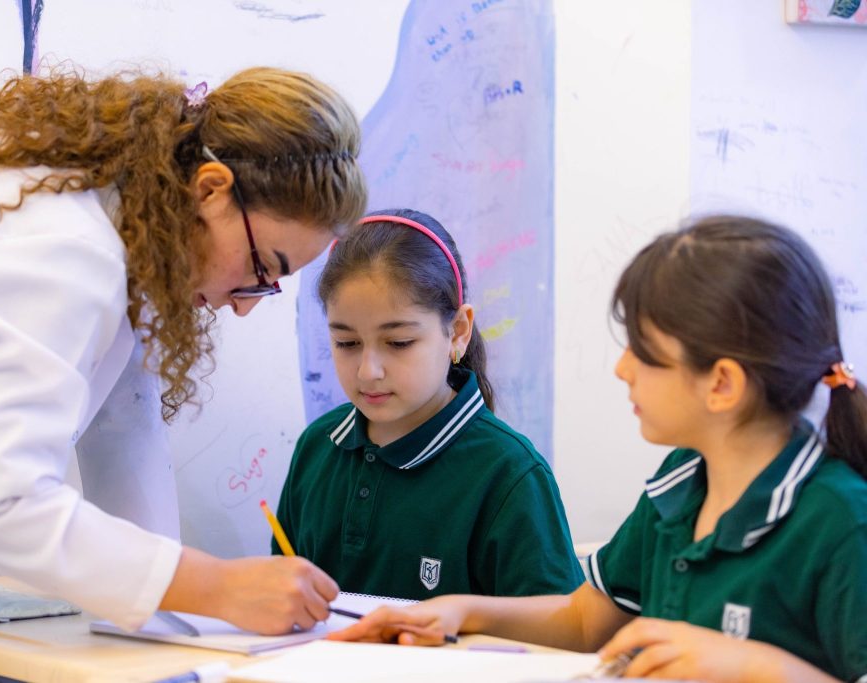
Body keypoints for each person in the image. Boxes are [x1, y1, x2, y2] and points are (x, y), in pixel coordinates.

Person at [0, 65, 367, 680]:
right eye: (262, 266)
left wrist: (180, 632)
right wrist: (218, 586)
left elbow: (124, 428)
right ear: (211, 190)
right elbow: (1, 500)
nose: (249, 302)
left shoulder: (117, 229)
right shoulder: (61, 246)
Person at [330, 216, 867, 683]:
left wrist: (750, 665)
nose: (621, 369)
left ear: (721, 383)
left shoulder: (841, 522)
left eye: (644, 352)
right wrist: (459, 610)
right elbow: (585, 621)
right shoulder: (681, 483)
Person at [272, 209, 582, 599]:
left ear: (457, 332)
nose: (368, 371)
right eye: (347, 343)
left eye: (399, 343)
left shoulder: (510, 474)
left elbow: (558, 633)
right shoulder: (317, 445)